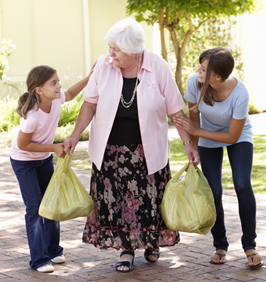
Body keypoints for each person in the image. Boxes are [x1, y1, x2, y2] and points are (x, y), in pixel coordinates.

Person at [63, 18, 199, 273]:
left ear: (134, 51)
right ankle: (126, 249)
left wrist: (188, 144)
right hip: (110, 151)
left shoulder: (158, 67)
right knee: (118, 204)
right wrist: (73, 135)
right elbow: (90, 103)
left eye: (116, 49)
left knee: (147, 202)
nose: (110, 53)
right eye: (110, 47)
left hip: (146, 151)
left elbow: (176, 110)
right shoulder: (104, 66)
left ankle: (151, 242)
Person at [173, 47, 264, 269]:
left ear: (218, 76)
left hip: (238, 136)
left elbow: (232, 136)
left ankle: (249, 245)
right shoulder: (195, 83)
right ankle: (220, 245)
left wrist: (197, 133)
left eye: (204, 69)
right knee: (213, 189)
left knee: (242, 184)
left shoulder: (240, 94)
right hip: (207, 138)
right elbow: (194, 120)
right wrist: (192, 150)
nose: (198, 71)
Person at [10, 64, 94, 273]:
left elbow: (72, 93)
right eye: (53, 83)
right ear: (39, 90)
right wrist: (54, 147)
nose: (59, 85)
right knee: (35, 208)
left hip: (43, 159)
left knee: (52, 202)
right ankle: (39, 260)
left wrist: (90, 77)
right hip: (24, 162)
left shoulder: (56, 101)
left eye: (58, 81)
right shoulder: (32, 116)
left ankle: (53, 250)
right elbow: (23, 145)